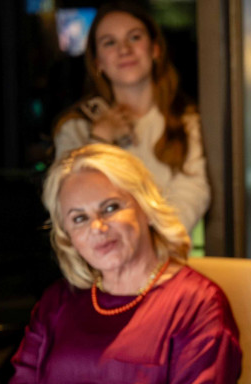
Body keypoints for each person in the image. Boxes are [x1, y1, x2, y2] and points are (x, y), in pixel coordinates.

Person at [0, 144, 241, 384]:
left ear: (146, 208)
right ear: (67, 237)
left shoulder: (198, 303)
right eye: (79, 218)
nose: (98, 227)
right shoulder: (57, 301)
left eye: (111, 207)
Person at [53, 1, 209, 233]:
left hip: (165, 250)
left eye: (134, 37)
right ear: (98, 62)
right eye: (109, 42)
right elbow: (67, 204)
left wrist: (149, 244)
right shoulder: (76, 127)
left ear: (155, 49)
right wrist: (99, 141)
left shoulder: (187, 122)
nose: (124, 49)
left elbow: (192, 193)